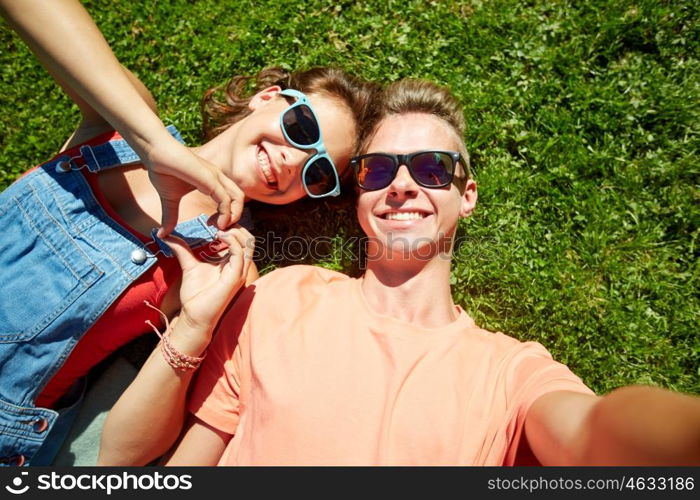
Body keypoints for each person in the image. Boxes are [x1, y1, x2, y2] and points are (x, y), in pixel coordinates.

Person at [99, 79, 700, 466]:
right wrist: (191, 330)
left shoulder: (511, 372)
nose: (405, 184)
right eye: (379, 170)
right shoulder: (282, 297)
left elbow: (594, 436)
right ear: (359, 198)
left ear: (467, 196)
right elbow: (139, 468)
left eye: (434, 168)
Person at [0, 0, 376, 466]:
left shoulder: (228, 264)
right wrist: (155, 144)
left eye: (318, 173)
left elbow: (135, 453)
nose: (295, 160)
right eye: (302, 127)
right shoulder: (119, 130)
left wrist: (192, 326)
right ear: (268, 98)